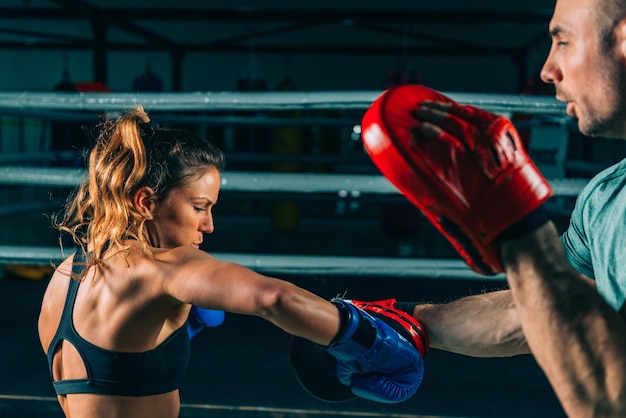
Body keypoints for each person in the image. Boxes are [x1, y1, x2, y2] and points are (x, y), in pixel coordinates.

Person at [37, 106, 429, 418]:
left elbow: (106, 374)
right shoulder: (163, 268)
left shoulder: (65, 275)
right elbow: (275, 299)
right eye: (199, 207)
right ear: (145, 202)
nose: (208, 225)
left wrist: (164, 336)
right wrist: (373, 343)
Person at [356, 0, 626, 416]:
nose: (547, 69)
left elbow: (612, 399)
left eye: (564, 41)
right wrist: (405, 325)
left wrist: (518, 224)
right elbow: (539, 310)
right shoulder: (607, 194)